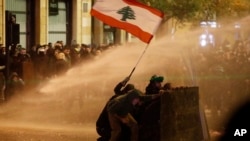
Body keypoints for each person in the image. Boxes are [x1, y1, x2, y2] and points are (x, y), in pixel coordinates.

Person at [96, 76, 134, 141]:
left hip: (105, 126)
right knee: (119, 133)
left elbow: (116, 89)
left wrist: (124, 81)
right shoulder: (118, 99)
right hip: (103, 127)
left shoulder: (122, 98)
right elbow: (116, 90)